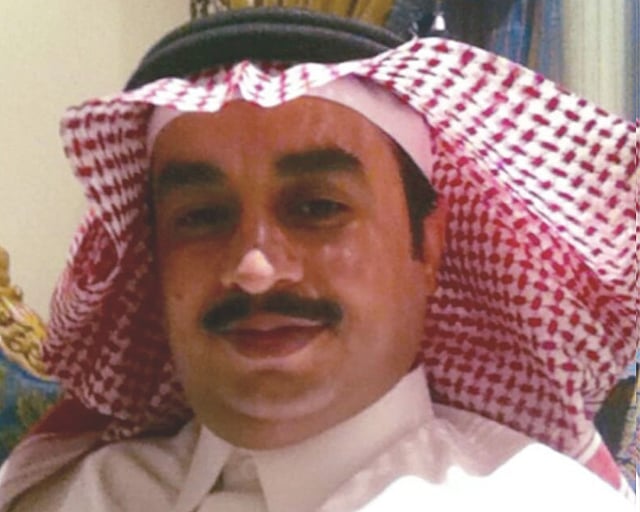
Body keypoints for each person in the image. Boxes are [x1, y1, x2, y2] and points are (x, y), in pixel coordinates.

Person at [0, 5, 636, 511]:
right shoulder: (69, 497)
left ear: (429, 246)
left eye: (316, 207)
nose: (254, 268)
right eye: (201, 216)